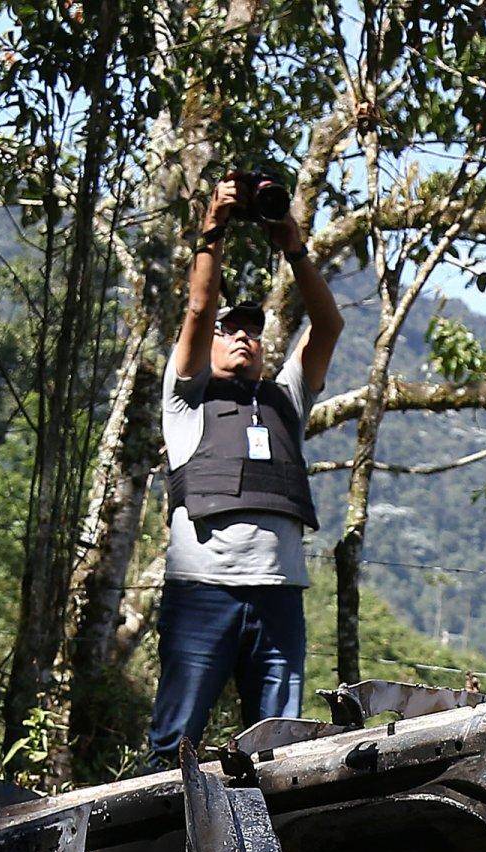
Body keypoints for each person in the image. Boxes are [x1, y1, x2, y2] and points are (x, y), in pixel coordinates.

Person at [146, 173, 343, 765]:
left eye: (252, 331)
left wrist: (294, 247)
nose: (241, 338)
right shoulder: (186, 401)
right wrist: (214, 228)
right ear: (206, 344)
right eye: (229, 331)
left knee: (279, 753)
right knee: (174, 743)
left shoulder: (286, 398)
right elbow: (200, 305)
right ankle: (157, 847)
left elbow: (328, 325)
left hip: (279, 595)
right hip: (203, 592)